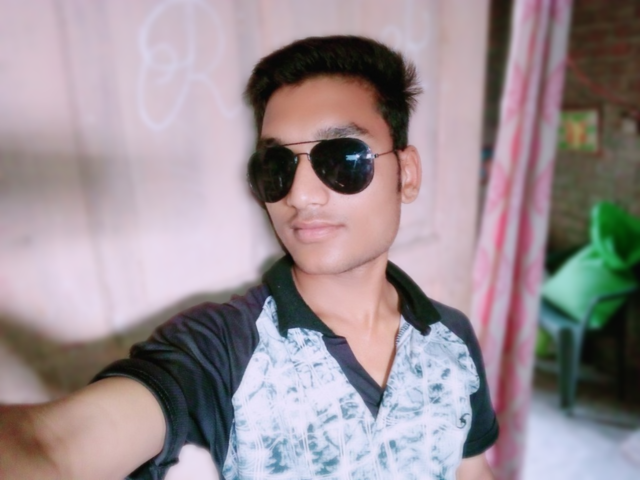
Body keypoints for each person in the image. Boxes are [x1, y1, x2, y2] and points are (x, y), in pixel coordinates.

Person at [0, 35, 498, 479]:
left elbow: (471, 469)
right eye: (277, 166)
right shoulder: (223, 348)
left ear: (406, 174)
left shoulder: (451, 338)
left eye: (342, 158)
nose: (300, 195)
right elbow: (53, 447)